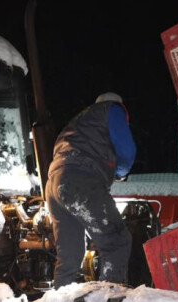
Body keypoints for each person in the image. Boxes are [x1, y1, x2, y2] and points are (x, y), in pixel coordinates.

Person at [45, 92, 137, 288]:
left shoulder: (77, 122)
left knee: (69, 256)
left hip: (54, 185)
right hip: (80, 180)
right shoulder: (112, 109)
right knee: (117, 242)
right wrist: (120, 172)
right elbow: (127, 151)